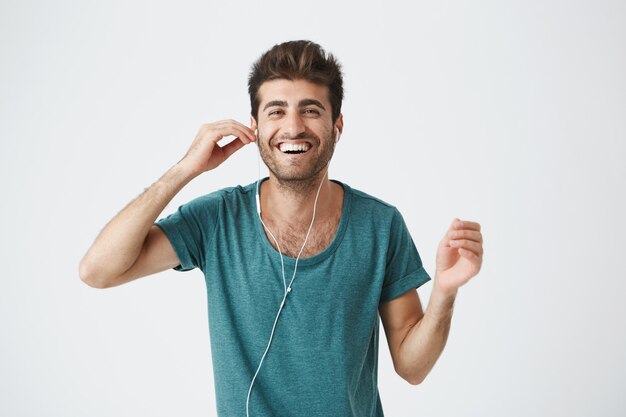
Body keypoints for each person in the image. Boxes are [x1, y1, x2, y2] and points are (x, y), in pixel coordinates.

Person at [79, 40, 484, 417]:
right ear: (255, 127)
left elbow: (412, 368)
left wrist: (445, 293)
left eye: (311, 110)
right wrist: (186, 168)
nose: (293, 127)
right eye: (276, 111)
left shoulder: (380, 225)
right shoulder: (217, 218)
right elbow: (98, 270)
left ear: (336, 126)